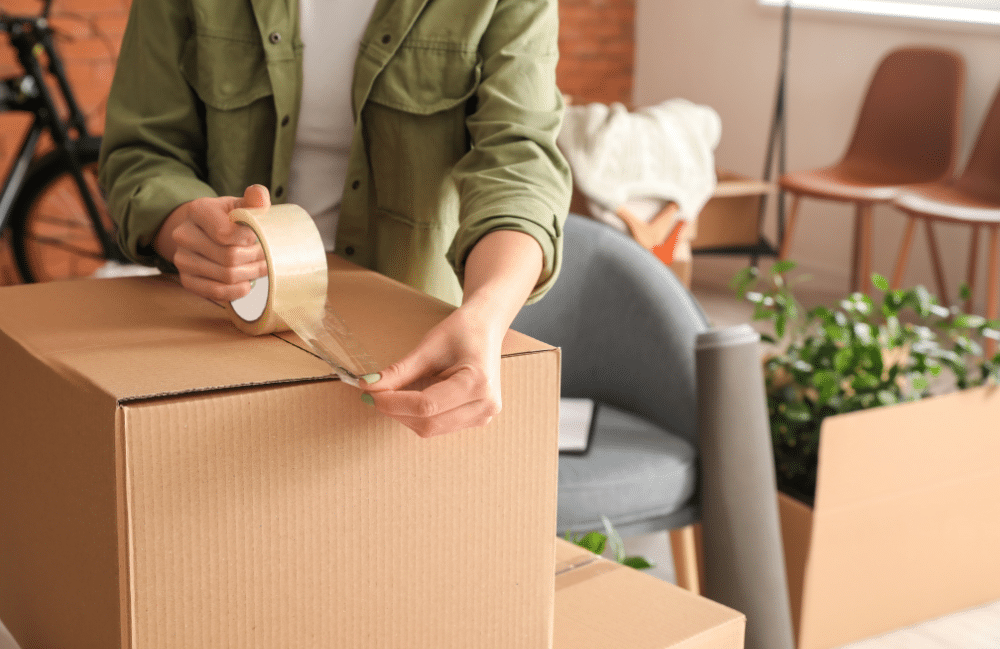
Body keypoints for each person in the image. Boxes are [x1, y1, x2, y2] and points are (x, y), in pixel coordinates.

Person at [98, 0, 571, 437]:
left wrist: (485, 315)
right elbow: (143, 150)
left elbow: (519, 162)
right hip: (223, 320)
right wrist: (183, 226)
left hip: (412, 332)